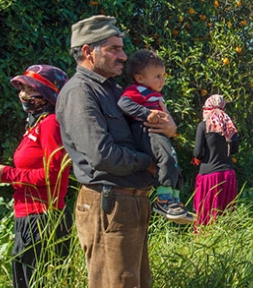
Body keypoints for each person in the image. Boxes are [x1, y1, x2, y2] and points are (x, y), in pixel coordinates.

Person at [55, 15, 177, 287]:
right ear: (88, 52)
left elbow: (149, 133)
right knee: (115, 283)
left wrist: (169, 128)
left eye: (122, 48)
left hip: (131, 203)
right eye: (114, 49)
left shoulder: (118, 92)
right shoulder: (80, 92)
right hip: (108, 205)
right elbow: (102, 155)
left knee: (136, 282)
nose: (123, 56)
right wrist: (149, 163)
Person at [0, 65, 71, 288]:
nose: (23, 95)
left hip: (42, 218)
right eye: (22, 88)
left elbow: (54, 174)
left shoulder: (51, 124)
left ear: (48, 94)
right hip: (29, 216)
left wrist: (7, 174)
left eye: (30, 90)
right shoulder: (36, 124)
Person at [119, 49, 193, 224]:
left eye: (163, 75)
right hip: (147, 132)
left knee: (174, 164)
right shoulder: (138, 90)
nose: (162, 80)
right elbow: (124, 103)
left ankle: (174, 200)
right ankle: (163, 200)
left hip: (160, 134)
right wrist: (146, 113)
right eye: (157, 76)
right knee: (166, 159)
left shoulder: (154, 94)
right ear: (140, 78)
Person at [192, 94, 240, 228]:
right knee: (225, 214)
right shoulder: (230, 126)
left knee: (205, 214)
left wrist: (197, 159)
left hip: (209, 176)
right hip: (228, 175)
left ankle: (204, 241)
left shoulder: (203, 126)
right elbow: (234, 150)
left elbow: (197, 153)